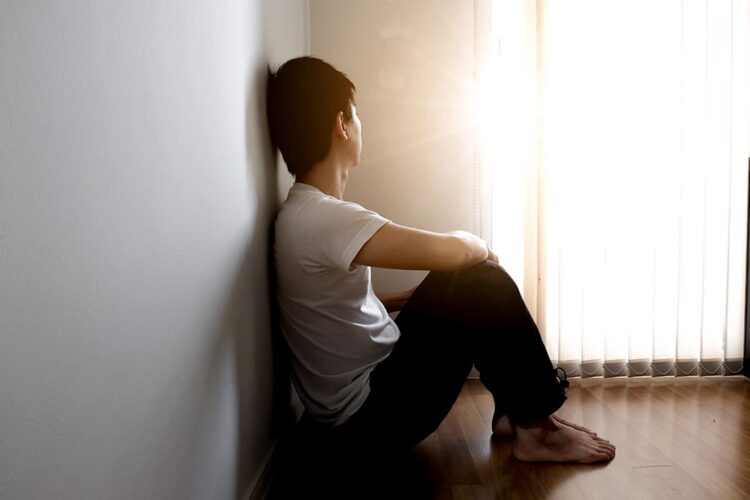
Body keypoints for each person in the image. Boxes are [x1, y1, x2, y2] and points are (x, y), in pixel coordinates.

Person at [267, 56, 616, 477]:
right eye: (356, 115)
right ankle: (537, 428)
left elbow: (332, 304)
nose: (361, 125)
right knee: (477, 276)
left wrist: (409, 298)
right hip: (370, 418)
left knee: (467, 279)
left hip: (366, 400)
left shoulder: (304, 214)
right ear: (341, 124)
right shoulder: (324, 217)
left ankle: (515, 412)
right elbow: (452, 253)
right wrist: (481, 246)